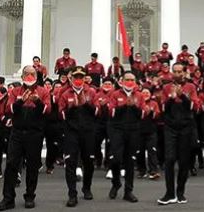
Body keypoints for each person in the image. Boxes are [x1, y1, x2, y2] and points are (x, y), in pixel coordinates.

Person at [0, 66, 51, 210]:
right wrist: (21, 101)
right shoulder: (15, 91)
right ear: (22, 76)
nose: (29, 76)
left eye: (32, 74)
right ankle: (8, 199)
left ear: (36, 76)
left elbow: (47, 110)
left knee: (32, 166)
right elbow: (9, 109)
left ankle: (30, 196)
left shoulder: (43, 92)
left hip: (34, 134)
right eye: (26, 74)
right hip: (17, 133)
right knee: (11, 165)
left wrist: (37, 101)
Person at [157, 63, 201, 205]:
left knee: (184, 162)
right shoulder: (166, 87)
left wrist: (182, 96)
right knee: (169, 159)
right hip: (170, 127)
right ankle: (169, 194)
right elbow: (163, 108)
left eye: (179, 71)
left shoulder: (191, 87)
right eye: (174, 71)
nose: (177, 74)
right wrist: (172, 97)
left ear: (184, 72)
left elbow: (194, 107)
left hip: (186, 127)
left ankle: (180, 192)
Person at [57, 66, 99, 206]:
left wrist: (85, 104)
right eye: (76, 77)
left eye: (81, 77)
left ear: (84, 78)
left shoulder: (91, 92)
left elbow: (97, 112)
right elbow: (61, 114)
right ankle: (72, 194)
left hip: (88, 132)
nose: (79, 79)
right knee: (70, 162)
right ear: (71, 78)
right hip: (71, 133)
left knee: (88, 162)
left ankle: (86, 188)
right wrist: (72, 107)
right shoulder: (65, 93)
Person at [107, 72, 145, 203]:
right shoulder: (115, 94)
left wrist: (133, 106)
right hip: (117, 130)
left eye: (132, 80)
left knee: (130, 161)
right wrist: (123, 106)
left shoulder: (139, 95)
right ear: (121, 81)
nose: (130, 82)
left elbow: (143, 114)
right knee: (116, 159)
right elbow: (111, 112)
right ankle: (116, 182)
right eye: (127, 79)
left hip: (133, 131)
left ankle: (128, 191)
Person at [138, 87, 162, 180]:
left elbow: (157, 115)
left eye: (147, 92)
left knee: (152, 151)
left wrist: (150, 111)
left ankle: (153, 171)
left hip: (151, 131)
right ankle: (142, 170)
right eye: (143, 92)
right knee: (140, 152)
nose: (145, 94)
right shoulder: (138, 103)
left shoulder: (154, 103)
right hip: (139, 131)